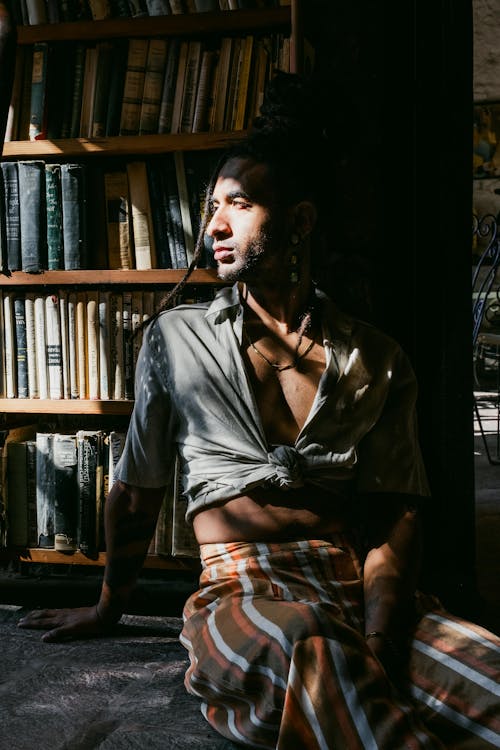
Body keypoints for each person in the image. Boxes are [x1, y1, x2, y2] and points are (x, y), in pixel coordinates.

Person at [19, 74, 500, 749]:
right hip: (243, 593)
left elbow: (397, 511)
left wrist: (384, 635)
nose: (213, 224)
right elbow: (135, 491)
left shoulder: (375, 357)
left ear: (300, 221)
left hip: (354, 583)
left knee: (485, 669)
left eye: (238, 204)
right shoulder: (178, 338)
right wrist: (107, 606)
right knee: (313, 650)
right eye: (211, 204)